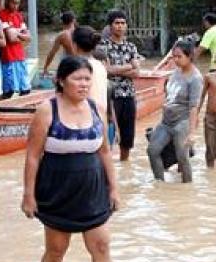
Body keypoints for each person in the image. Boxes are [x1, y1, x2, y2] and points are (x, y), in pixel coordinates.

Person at [20, 56, 119, 262]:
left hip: (92, 190)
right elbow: (33, 156)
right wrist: (28, 195)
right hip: (57, 189)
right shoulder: (47, 111)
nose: (84, 84)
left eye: (87, 79)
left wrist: (114, 188)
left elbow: (105, 152)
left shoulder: (97, 109)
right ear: (61, 81)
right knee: (56, 249)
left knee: (102, 246)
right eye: (77, 79)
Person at [148, 42, 203, 183]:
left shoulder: (195, 78)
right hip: (166, 122)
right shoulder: (176, 72)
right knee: (152, 151)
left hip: (182, 122)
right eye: (174, 57)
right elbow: (169, 98)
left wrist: (192, 133)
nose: (176, 60)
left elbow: (193, 107)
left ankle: (187, 189)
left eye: (179, 57)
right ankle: (159, 183)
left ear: (190, 56)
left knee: (182, 157)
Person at [101, 10, 142, 161]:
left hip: (129, 95)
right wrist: (127, 67)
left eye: (122, 23)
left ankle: (125, 165)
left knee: (127, 136)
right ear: (110, 26)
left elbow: (137, 72)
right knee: (108, 134)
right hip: (110, 96)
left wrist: (116, 70)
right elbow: (106, 70)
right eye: (116, 23)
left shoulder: (131, 46)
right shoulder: (103, 46)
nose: (120, 26)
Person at [0, 0, 32, 98]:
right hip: (8, 57)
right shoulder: (2, 15)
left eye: (18, 3)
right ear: (7, 1)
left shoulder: (19, 16)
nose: (16, 6)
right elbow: (11, 38)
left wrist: (16, 33)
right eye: (13, 2)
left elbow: (29, 38)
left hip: (20, 56)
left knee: (25, 89)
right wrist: (20, 35)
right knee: (9, 90)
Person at [72, 26, 109, 126]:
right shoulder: (100, 65)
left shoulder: (76, 66)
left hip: (83, 121)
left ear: (74, 45)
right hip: (100, 119)